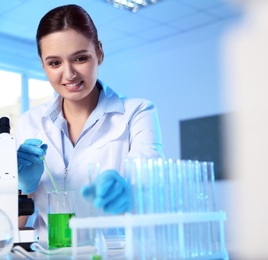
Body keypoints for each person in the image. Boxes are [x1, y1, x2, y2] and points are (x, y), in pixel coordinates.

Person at [16, 4, 164, 242]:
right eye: (55, 63)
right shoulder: (30, 122)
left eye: (80, 58)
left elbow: (150, 184)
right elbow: (13, 226)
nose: (69, 74)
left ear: (99, 53)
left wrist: (130, 190)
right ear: (43, 64)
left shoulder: (137, 112)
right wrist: (23, 189)